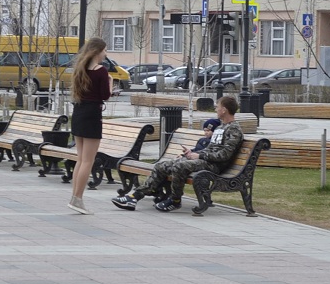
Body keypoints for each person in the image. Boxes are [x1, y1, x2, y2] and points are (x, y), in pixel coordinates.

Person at [111, 96, 243, 213]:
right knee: (161, 166)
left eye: (217, 107)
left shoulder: (234, 129)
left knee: (179, 167)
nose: (216, 110)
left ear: (224, 110)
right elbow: (210, 149)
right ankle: (134, 198)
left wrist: (200, 156)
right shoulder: (220, 127)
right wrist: (192, 153)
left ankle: (175, 200)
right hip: (205, 160)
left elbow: (224, 155)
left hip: (215, 166)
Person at [67, 37, 111, 215]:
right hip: (92, 115)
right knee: (88, 160)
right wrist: (110, 82)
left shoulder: (80, 69)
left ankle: (74, 197)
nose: (105, 54)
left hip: (78, 112)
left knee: (80, 159)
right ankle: (77, 199)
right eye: (105, 50)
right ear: (98, 51)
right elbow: (105, 95)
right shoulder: (101, 71)